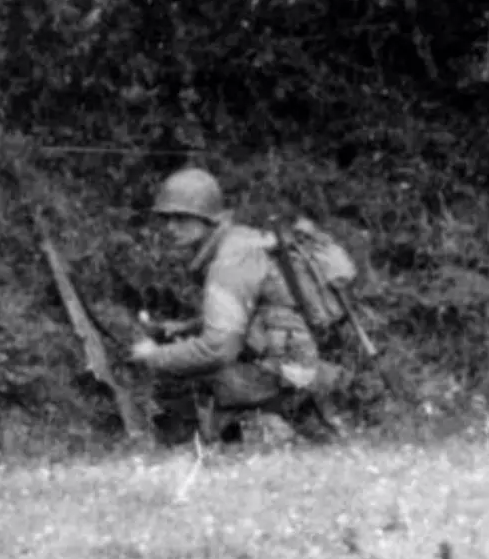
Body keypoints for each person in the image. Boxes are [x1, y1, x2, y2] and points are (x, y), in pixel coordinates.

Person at [126, 169, 342, 444]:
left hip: (286, 372)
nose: (170, 227)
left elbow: (217, 350)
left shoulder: (229, 263)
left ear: (207, 219)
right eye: (167, 218)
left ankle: (268, 428)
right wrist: (187, 328)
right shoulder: (241, 241)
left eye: (181, 218)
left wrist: (154, 355)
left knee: (183, 381)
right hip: (293, 359)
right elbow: (253, 311)